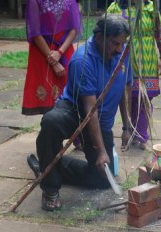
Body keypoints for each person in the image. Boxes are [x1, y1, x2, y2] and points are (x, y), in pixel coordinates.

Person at [27, 14, 132, 211]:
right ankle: (50, 188)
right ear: (100, 37)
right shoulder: (82, 61)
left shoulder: (122, 54)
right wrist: (101, 151)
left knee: (101, 179)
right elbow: (89, 110)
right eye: (115, 43)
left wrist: (127, 126)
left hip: (98, 118)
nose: (119, 49)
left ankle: (47, 165)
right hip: (75, 111)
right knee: (51, 122)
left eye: (122, 43)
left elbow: (124, 91)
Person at [107, 0, 161, 150]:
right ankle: (127, 130)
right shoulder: (114, 8)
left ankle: (140, 134)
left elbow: (159, 34)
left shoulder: (151, 8)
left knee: (145, 99)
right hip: (122, 59)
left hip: (146, 60)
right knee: (126, 97)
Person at [22, 0, 81, 115]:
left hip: (64, 48)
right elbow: (35, 33)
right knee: (48, 102)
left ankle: (68, 130)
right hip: (42, 51)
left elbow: (74, 29)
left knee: (70, 95)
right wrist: (53, 61)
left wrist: (59, 52)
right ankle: (50, 129)